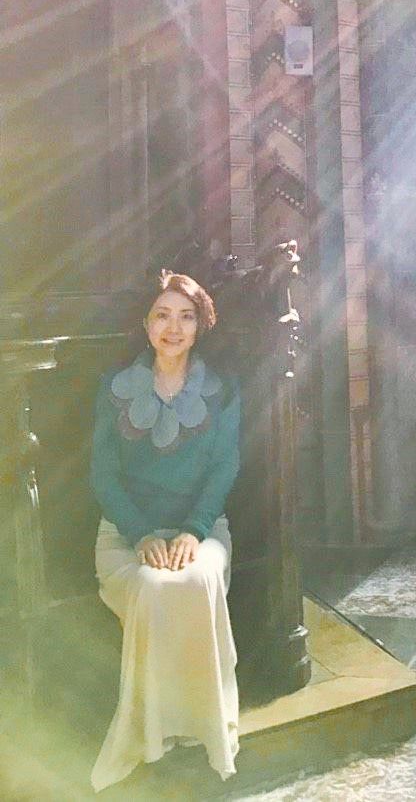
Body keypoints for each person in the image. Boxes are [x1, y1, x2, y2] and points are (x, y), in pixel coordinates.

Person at [89, 271, 241, 792]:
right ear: (146, 324)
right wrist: (140, 535)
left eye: (186, 317)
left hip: (202, 529)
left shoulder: (223, 391)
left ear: (200, 327)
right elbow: (102, 475)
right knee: (154, 587)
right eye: (163, 315)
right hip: (125, 533)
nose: (173, 328)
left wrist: (195, 531)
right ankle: (152, 735)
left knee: (196, 580)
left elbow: (224, 468)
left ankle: (203, 729)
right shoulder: (113, 388)